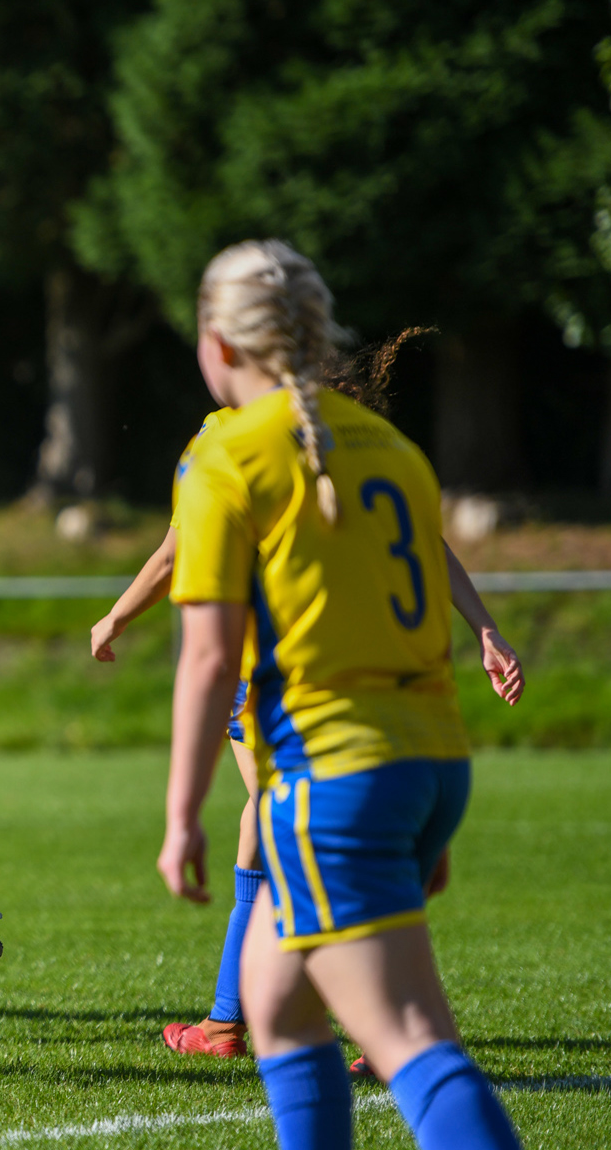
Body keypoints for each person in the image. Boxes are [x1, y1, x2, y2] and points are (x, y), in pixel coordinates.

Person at [159, 239, 521, 1149]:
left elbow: (209, 660)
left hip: (337, 777)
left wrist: (182, 816)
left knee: (409, 1040)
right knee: (277, 1001)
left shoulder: (226, 456)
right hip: (426, 758)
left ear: (218, 345)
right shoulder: (392, 447)